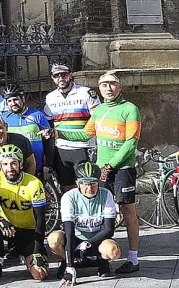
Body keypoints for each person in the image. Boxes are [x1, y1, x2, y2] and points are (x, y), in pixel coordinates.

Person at [83, 72, 141, 274]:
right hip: (102, 169)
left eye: (112, 84)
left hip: (123, 169)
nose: (109, 88)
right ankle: (101, 255)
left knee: (127, 210)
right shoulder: (98, 110)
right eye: (104, 85)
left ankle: (133, 258)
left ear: (120, 87)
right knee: (100, 211)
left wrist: (110, 165)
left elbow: (131, 142)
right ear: (99, 89)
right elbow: (85, 133)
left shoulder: (130, 109)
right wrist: (57, 131)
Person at [0, 145, 48, 281]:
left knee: (39, 275)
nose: (10, 168)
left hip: (29, 233)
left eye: (14, 163)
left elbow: (41, 220)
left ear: (20, 164)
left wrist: (38, 250)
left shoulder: (34, 183)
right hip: (8, 228)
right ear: (0, 165)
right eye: (5, 164)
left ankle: (24, 253)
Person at [48, 162, 120, 285]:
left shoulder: (106, 194)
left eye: (93, 183)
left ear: (98, 182)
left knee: (114, 251)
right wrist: (70, 267)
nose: (89, 188)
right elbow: (69, 231)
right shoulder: (69, 197)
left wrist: (88, 243)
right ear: (77, 183)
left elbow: (109, 230)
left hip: (97, 239)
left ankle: (102, 261)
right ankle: (68, 263)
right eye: (85, 184)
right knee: (53, 239)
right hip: (75, 238)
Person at [44, 64, 100, 192]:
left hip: (84, 147)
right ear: (52, 78)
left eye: (64, 74)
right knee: (66, 187)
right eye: (56, 76)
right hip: (62, 148)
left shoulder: (86, 93)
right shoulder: (50, 97)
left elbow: (98, 118)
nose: (61, 78)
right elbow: (48, 121)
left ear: (70, 75)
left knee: (87, 185)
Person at [0, 85, 52, 179]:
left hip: (37, 166)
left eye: (15, 99)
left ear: (22, 98)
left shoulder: (37, 115)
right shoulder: (3, 118)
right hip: (13, 168)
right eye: (9, 101)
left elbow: (48, 141)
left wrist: (48, 164)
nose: (13, 103)